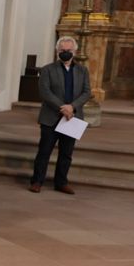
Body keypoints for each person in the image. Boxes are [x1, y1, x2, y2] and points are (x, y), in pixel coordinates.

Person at [29, 35, 89, 195]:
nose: (65, 52)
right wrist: (63, 107)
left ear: (75, 52)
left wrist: (72, 107)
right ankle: (37, 181)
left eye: (69, 50)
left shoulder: (82, 70)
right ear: (57, 51)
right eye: (62, 50)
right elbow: (45, 92)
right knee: (44, 151)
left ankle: (61, 182)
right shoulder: (48, 69)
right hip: (51, 116)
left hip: (72, 118)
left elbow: (86, 92)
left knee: (66, 153)